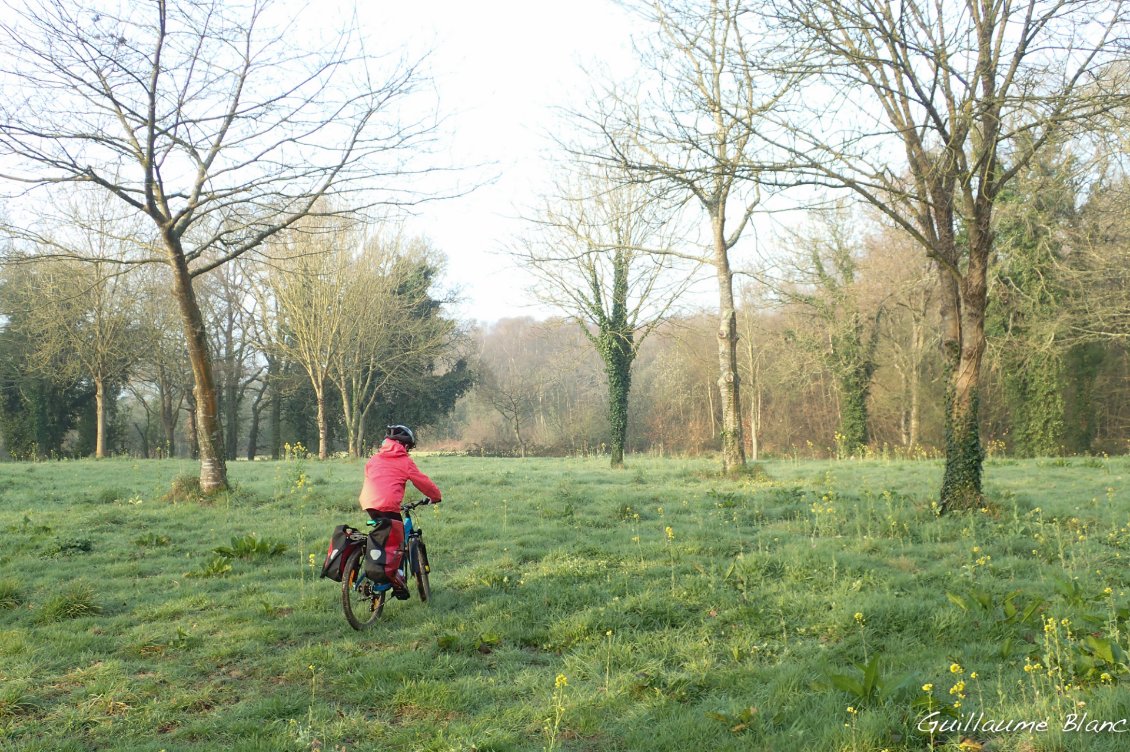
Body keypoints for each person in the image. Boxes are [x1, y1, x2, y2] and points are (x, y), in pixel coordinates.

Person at [358, 424, 441, 599]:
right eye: (408, 447)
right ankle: (398, 578)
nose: (408, 450)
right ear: (404, 445)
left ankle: (380, 572)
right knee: (399, 543)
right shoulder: (404, 461)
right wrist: (436, 496)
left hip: (368, 503)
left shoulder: (374, 459)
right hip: (387, 504)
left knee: (383, 539)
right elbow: (422, 481)